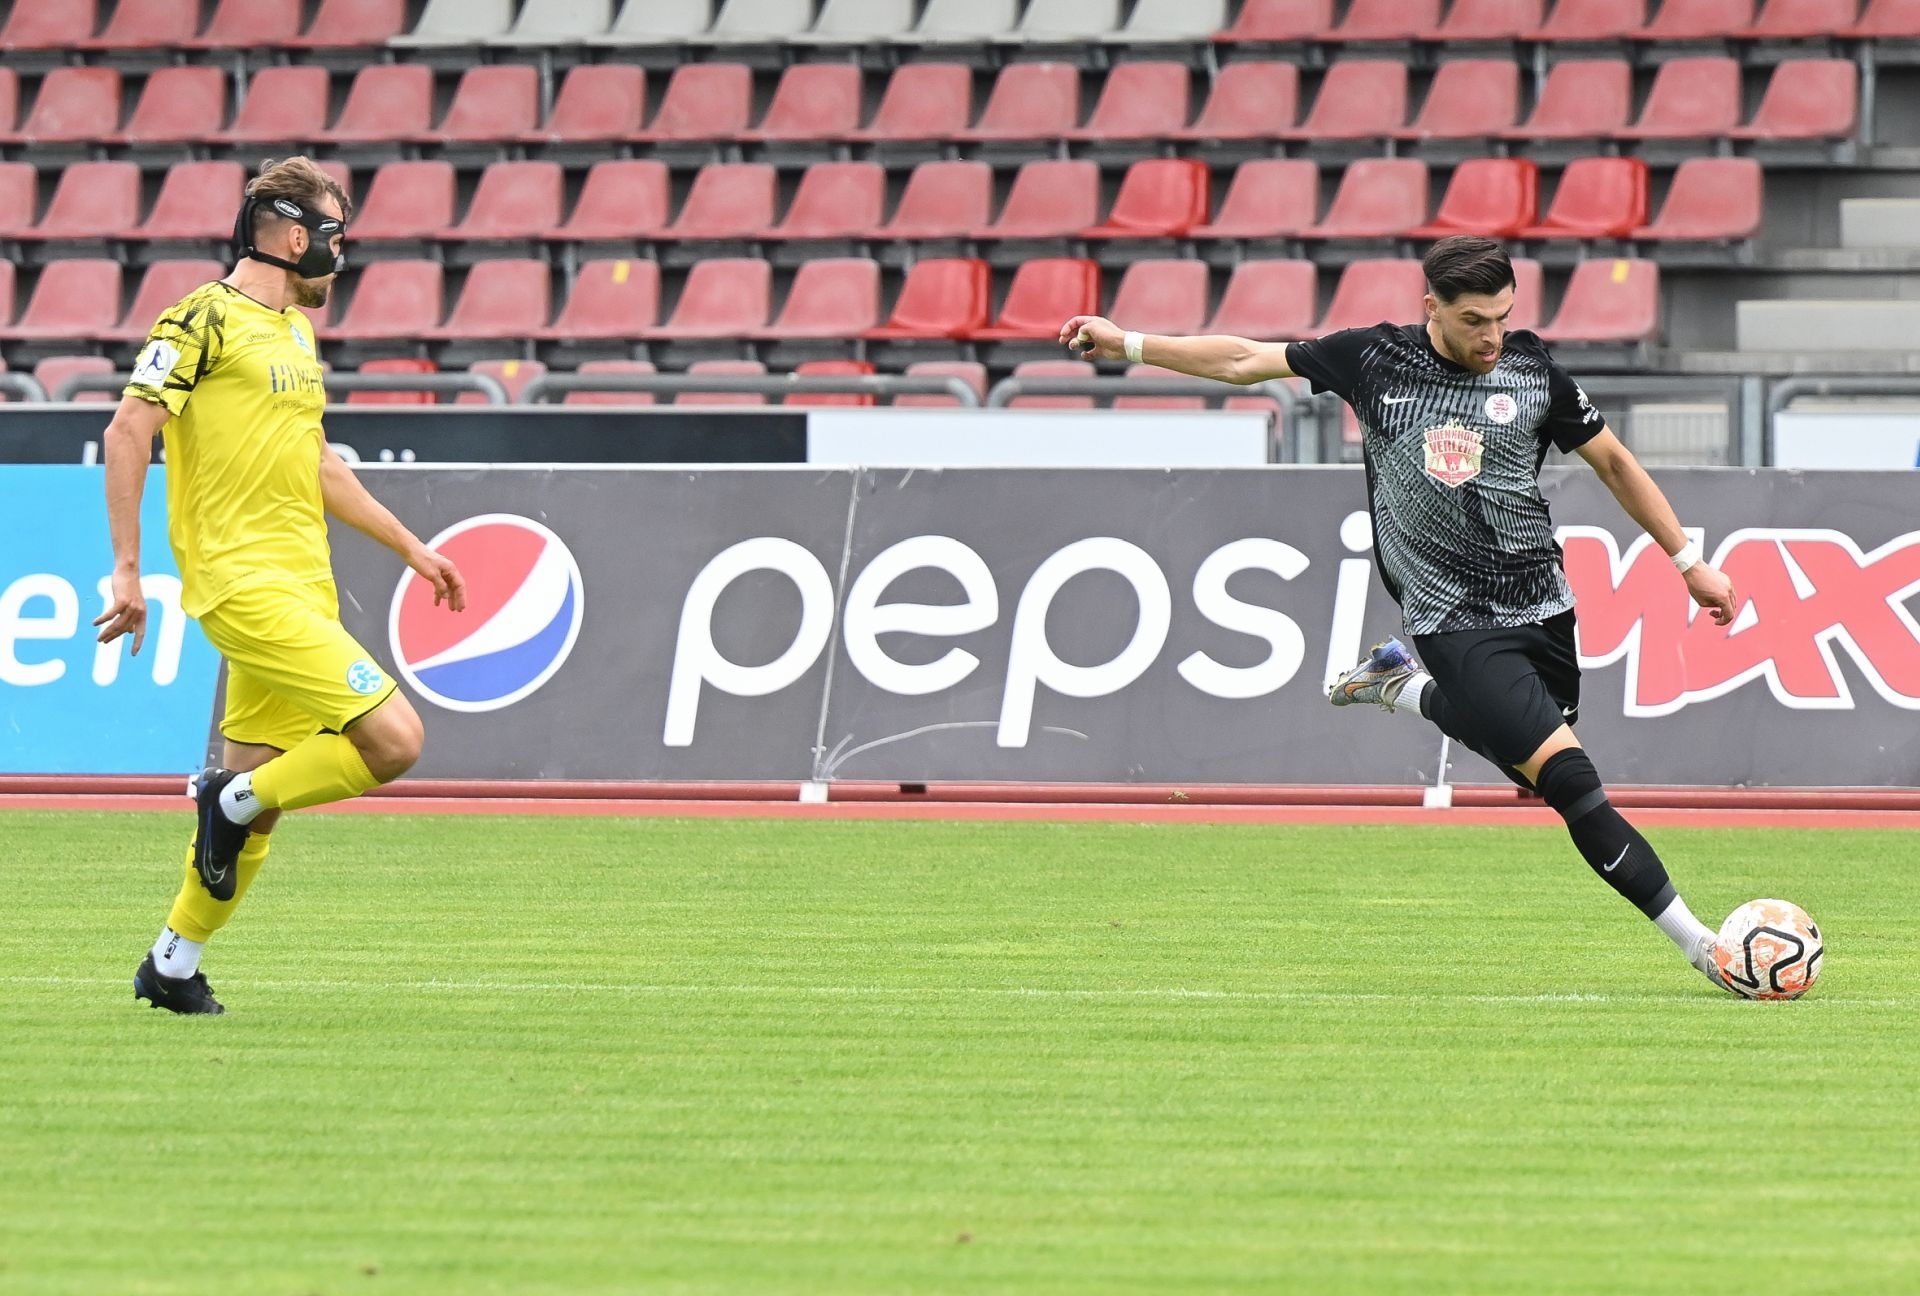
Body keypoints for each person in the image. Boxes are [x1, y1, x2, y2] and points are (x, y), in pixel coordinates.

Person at [1059, 234, 1741, 993]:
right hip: (1452, 619)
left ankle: (1400, 687)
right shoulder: (1374, 360)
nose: (1492, 336)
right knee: (1573, 784)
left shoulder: (1532, 371)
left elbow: (1613, 460)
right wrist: (1128, 343)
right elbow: (1243, 359)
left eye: (1503, 317)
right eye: (1474, 320)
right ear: (1432, 309)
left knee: (1530, 770)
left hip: (1545, 606)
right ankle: (1703, 946)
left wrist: (1689, 562)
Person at [95, 156, 467, 1015]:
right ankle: (223, 801)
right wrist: (127, 568)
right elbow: (127, 432)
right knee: (394, 741)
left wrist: (410, 546)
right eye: (337, 236)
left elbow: (319, 462)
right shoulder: (199, 319)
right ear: (297, 238)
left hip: (305, 582)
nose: (343, 254)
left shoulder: (297, 334)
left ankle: (172, 964)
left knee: (260, 804)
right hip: (241, 583)